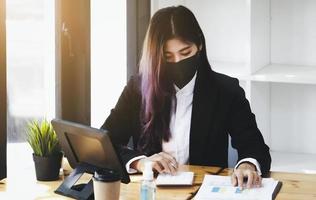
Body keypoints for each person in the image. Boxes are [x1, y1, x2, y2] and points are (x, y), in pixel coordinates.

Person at [101, 5, 271, 189]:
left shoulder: (226, 90)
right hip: (149, 191)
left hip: (203, 191)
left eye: (185, 53)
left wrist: (248, 165)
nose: (177, 62)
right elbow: (105, 142)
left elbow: (255, 147)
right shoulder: (137, 88)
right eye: (168, 56)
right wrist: (140, 162)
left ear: (199, 45)